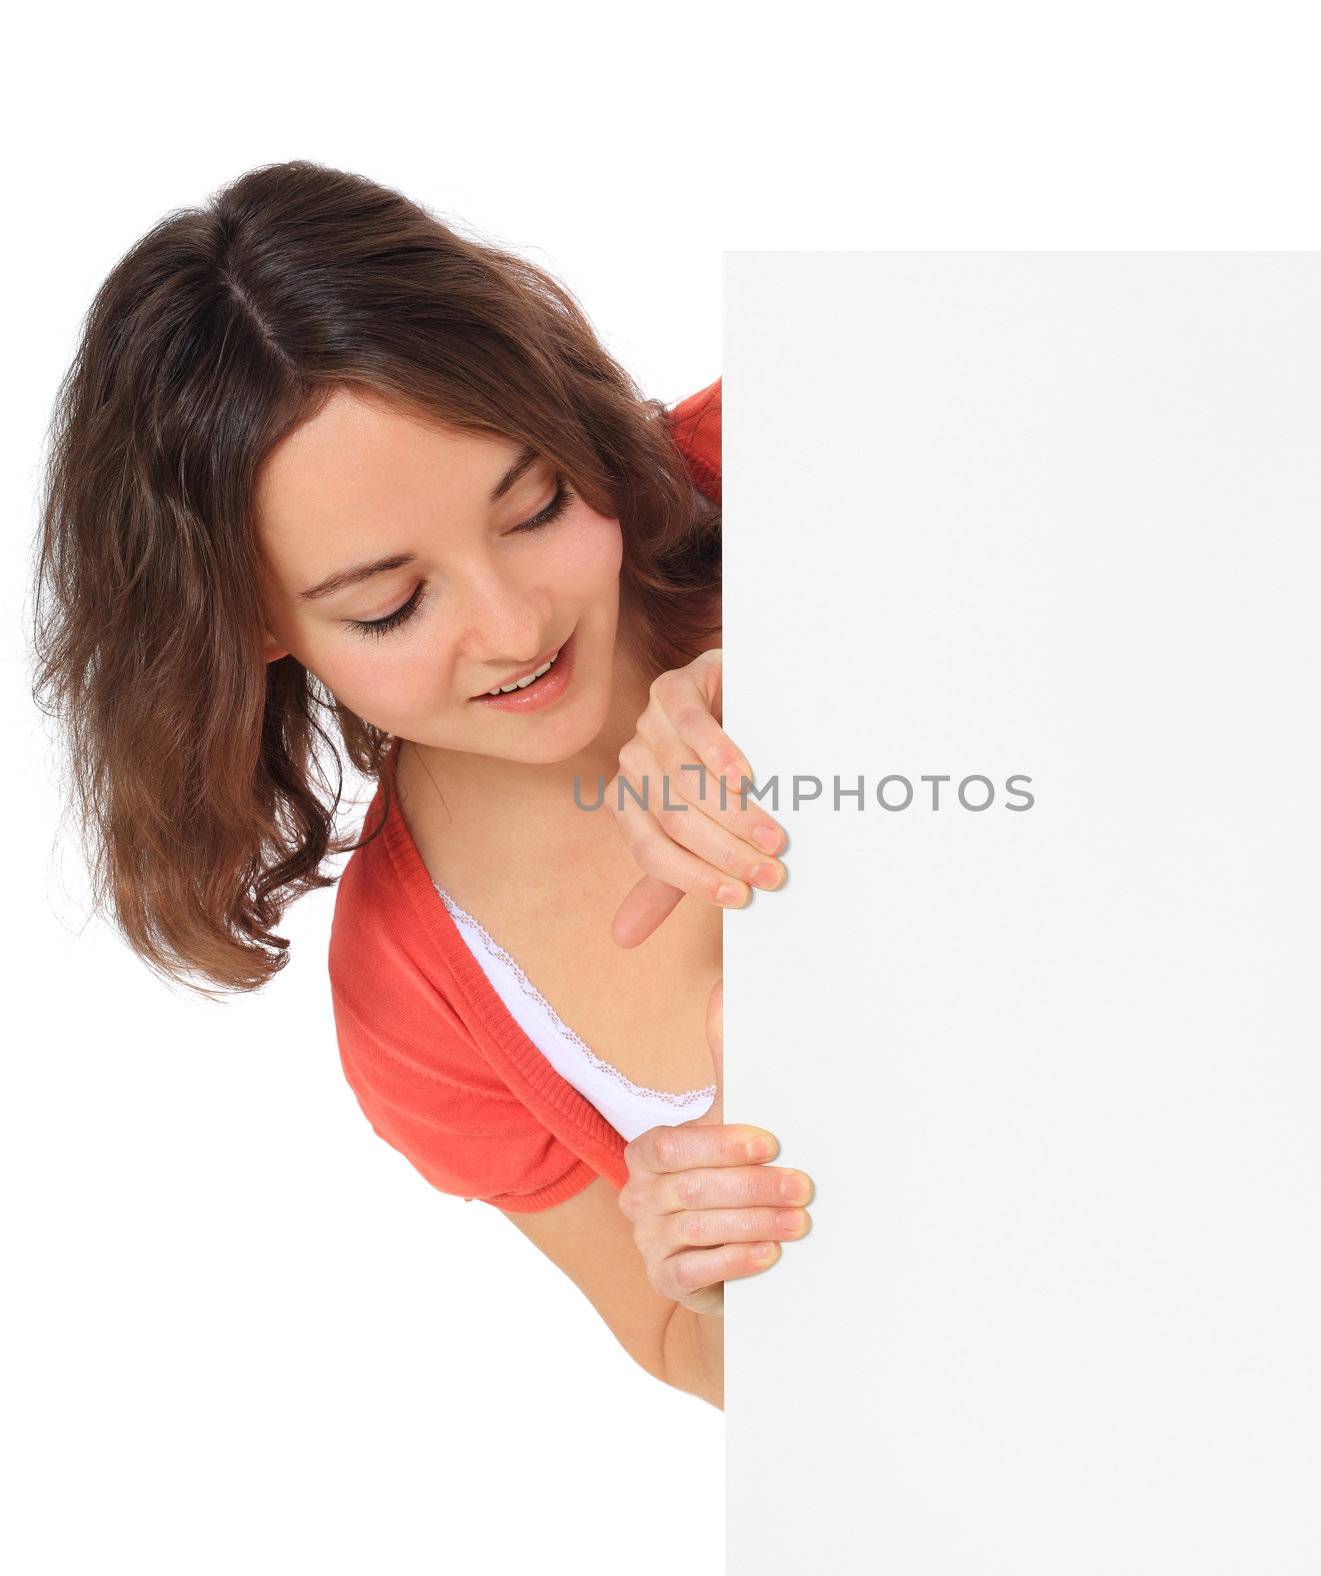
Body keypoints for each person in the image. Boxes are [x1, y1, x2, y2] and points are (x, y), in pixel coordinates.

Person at [29, 160, 813, 1412]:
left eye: (540, 502)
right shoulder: (415, 998)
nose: (513, 626)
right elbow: (687, 1351)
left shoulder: (802, 452)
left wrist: (798, 668)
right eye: (391, 605)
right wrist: (729, 1286)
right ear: (258, 623)